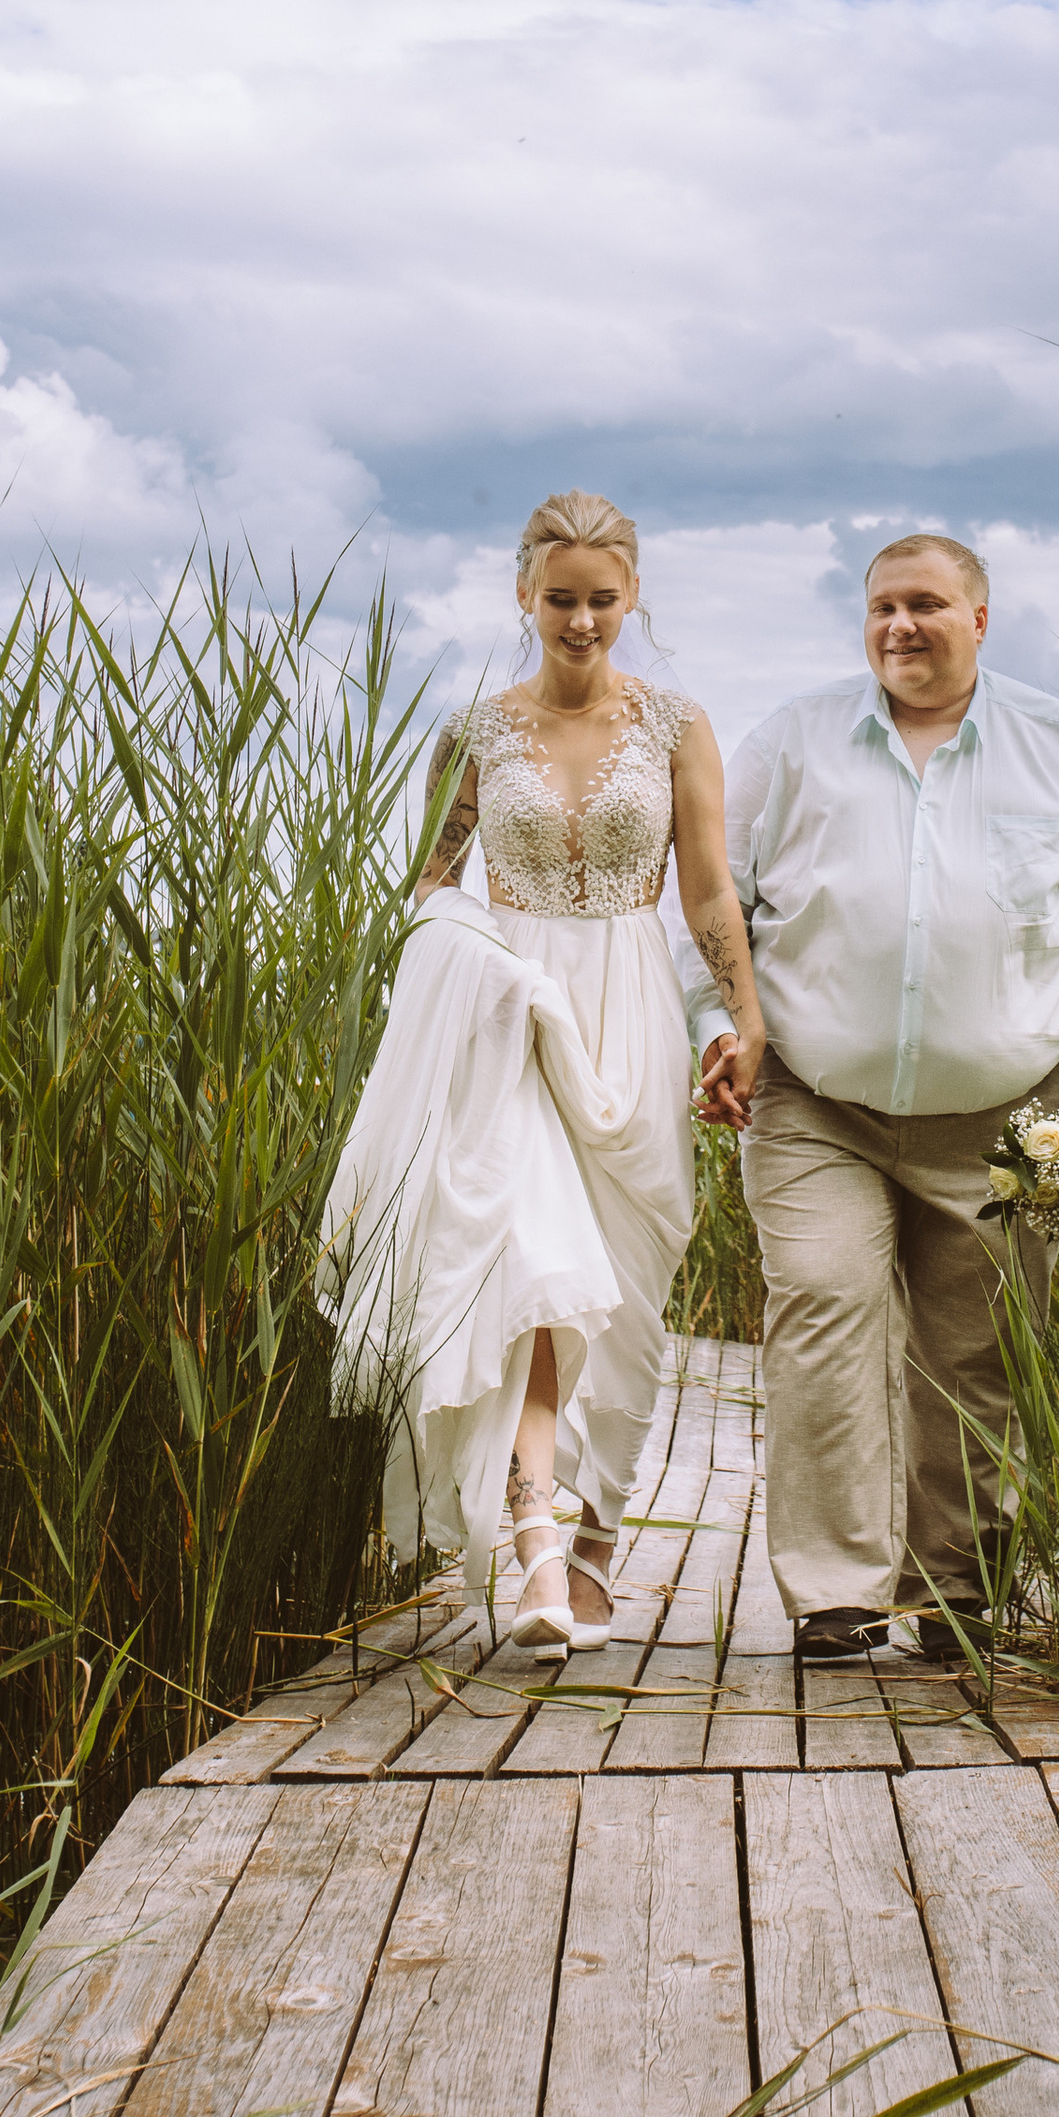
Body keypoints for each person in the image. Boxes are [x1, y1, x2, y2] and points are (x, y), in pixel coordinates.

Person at [685, 533, 1059, 1662]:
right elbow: (713, 905)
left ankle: (954, 1592)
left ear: (979, 617)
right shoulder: (792, 741)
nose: (898, 627)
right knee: (821, 1308)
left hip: (1041, 1107)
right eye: (879, 608)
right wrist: (722, 1025)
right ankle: (833, 1593)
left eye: (923, 605)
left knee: (1002, 1346)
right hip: (812, 1096)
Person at [329, 493, 767, 1651]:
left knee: (623, 1287)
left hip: (628, 1011)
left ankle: (594, 1538)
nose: (581, 623)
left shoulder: (676, 725)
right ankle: (530, 1542)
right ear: (523, 595)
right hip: (510, 1012)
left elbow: (707, 886)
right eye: (561, 599)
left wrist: (744, 1015)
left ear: (632, 599)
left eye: (602, 601)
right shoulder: (472, 732)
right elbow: (430, 886)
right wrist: (475, 968)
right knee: (531, 1264)